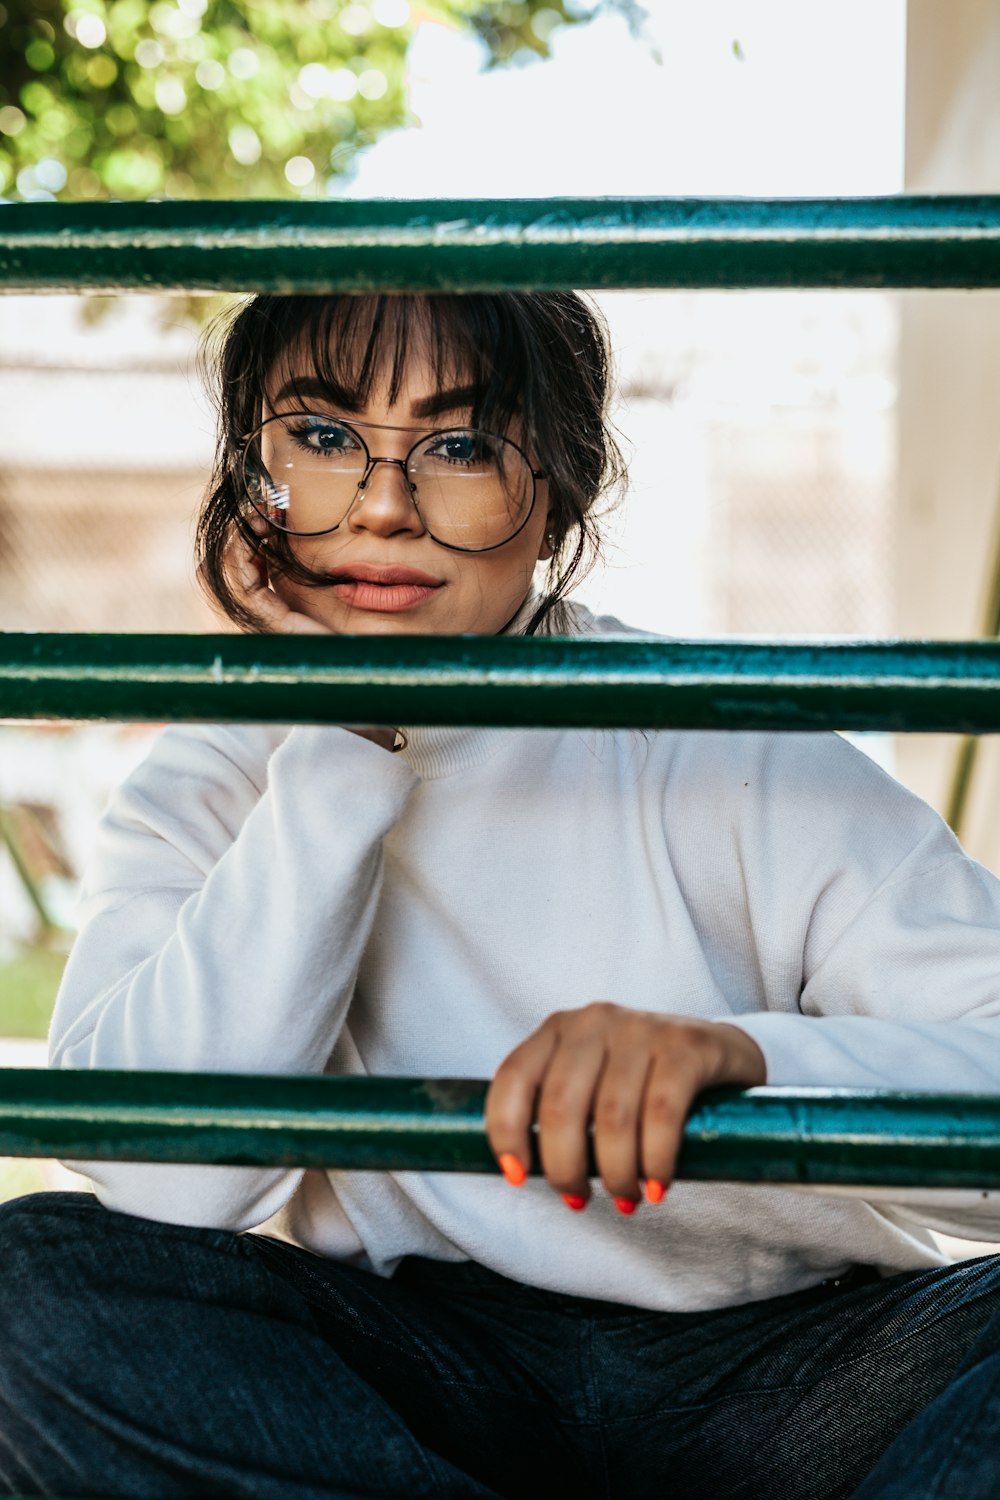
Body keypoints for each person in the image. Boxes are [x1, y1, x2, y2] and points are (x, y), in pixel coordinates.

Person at [3, 292, 1000, 1500]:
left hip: (802, 1365)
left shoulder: (727, 739)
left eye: (460, 446)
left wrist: (738, 1056)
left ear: (559, 494)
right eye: (321, 437)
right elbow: (169, 1185)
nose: (381, 505)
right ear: (255, 477)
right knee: (31, 1289)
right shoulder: (213, 776)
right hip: (413, 1374)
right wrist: (343, 741)